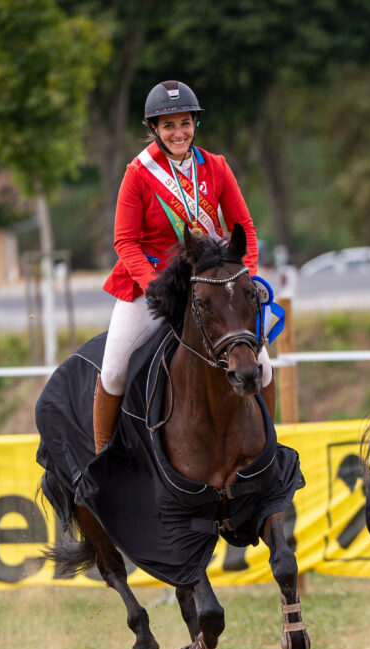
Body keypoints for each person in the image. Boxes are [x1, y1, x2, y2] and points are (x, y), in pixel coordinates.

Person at [92, 80, 274, 453]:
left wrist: (248, 276)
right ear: (154, 130)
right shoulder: (138, 174)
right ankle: (102, 461)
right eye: (169, 125)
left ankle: (269, 453)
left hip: (212, 282)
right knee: (112, 372)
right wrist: (151, 284)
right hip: (156, 284)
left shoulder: (217, 167)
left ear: (195, 124)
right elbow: (124, 240)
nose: (179, 133)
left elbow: (247, 228)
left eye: (185, 123)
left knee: (265, 368)